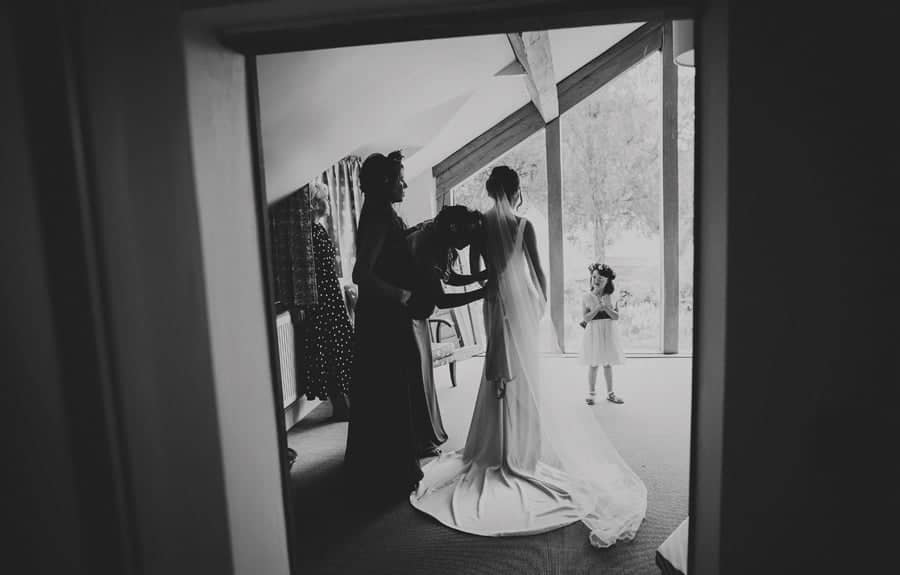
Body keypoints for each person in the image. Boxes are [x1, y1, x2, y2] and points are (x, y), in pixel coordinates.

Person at [409, 166, 647, 548]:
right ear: (516, 191)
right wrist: (540, 307)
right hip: (520, 306)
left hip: (492, 302)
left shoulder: (480, 227)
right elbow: (538, 273)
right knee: (522, 372)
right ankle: (520, 449)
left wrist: (491, 285)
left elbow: (477, 273)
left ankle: (495, 446)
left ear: (490, 192)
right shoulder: (525, 226)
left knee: (496, 369)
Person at [344, 151, 422, 503]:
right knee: (388, 388)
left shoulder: (382, 212)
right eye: (400, 179)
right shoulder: (376, 215)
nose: (405, 183)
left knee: (391, 388)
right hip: (382, 318)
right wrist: (400, 294)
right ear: (385, 182)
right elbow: (362, 273)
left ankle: (389, 468)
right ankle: (388, 474)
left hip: (385, 315)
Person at [405, 205, 488, 458]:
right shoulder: (427, 244)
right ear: (455, 228)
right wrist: (484, 292)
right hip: (405, 317)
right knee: (414, 381)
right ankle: (417, 441)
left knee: (422, 377)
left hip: (418, 315)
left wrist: (479, 276)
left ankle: (423, 437)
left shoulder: (440, 238)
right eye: (467, 237)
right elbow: (441, 299)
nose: (467, 244)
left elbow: (449, 277)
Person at [302, 182, 353, 419]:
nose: (329, 203)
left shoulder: (319, 229)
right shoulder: (309, 233)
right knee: (330, 351)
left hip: (331, 294)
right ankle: (340, 406)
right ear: (314, 204)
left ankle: (345, 403)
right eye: (326, 199)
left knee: (340, 348)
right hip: (322, 300)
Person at [580, 263, 625, 405]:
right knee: (593, 364)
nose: (596, 280)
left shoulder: (611, 296)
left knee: (607, 363)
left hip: (608, 332)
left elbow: (616, 317)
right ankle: (591, 393)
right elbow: (586, 318)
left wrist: (606, 307)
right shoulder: (587, 297)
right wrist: (597, 308)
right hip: (594, 332)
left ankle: (610, 393)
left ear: (607, 281)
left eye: (601, 278)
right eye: (594, 277)